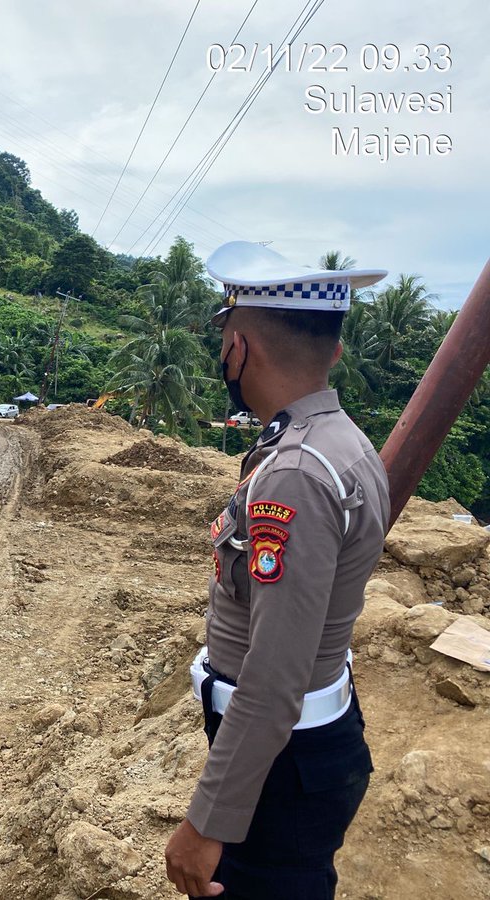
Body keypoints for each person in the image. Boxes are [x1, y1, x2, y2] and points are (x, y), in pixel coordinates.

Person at [163, 241, 391, 899]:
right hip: (305, 753)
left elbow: (276, 671)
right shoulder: (340, 442)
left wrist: (208, 822)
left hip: (282, 768)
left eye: (223, 337)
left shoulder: (292, 474)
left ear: (240, 347)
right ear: (336, 351)